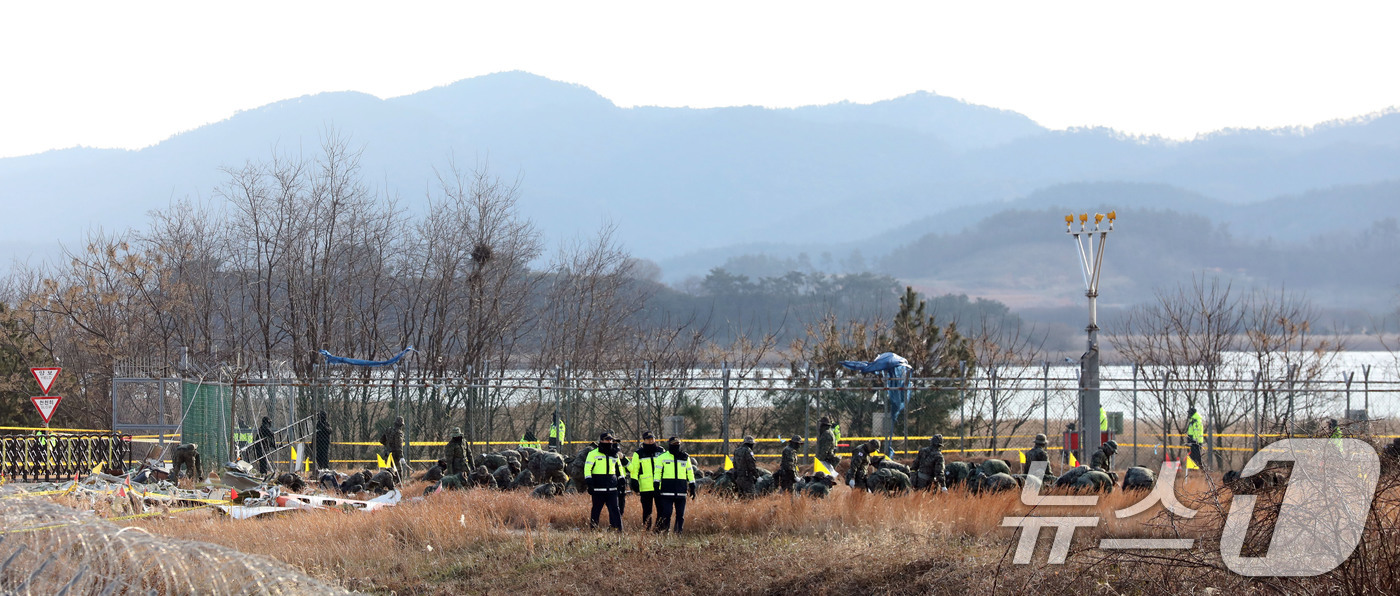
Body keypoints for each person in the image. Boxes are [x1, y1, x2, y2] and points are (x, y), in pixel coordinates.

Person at [654, 436, 697, 534]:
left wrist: (692, 486)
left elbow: (690, 473)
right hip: (666, 490)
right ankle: (665, 533)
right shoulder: (662, 457)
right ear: (669, 444)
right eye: (673, 444)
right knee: (667, 513)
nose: (675, 446)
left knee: (680, 514)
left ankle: (678, 533)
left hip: (681, 490)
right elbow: (657, 473)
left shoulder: (685, 457)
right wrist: (656, 486)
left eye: (677, 444)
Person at [584, 432, 625, 530]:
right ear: (601, 440)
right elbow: (587, 468)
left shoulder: (614, 454)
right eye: (607, 439)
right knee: (596, 510)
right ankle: (593, 530)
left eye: (610, 440)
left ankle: (618, 531)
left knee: (615, 510)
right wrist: (589, 482)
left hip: (612, 488)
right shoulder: (593, 454)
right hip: (598, 488)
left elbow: (619, 468)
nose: (609, 441)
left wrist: (622, 479)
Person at [627, 431, 665, 530]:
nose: (650, 441)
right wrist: (634, 481)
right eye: (648, 439)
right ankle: (646, 530)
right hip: (645, 487)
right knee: (647, 512)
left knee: (661, 510)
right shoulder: (638, 453)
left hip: (659, 486)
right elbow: (635, 470)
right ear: (644, 440)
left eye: (652, 438)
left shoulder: (661, 451)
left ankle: (658, 530)